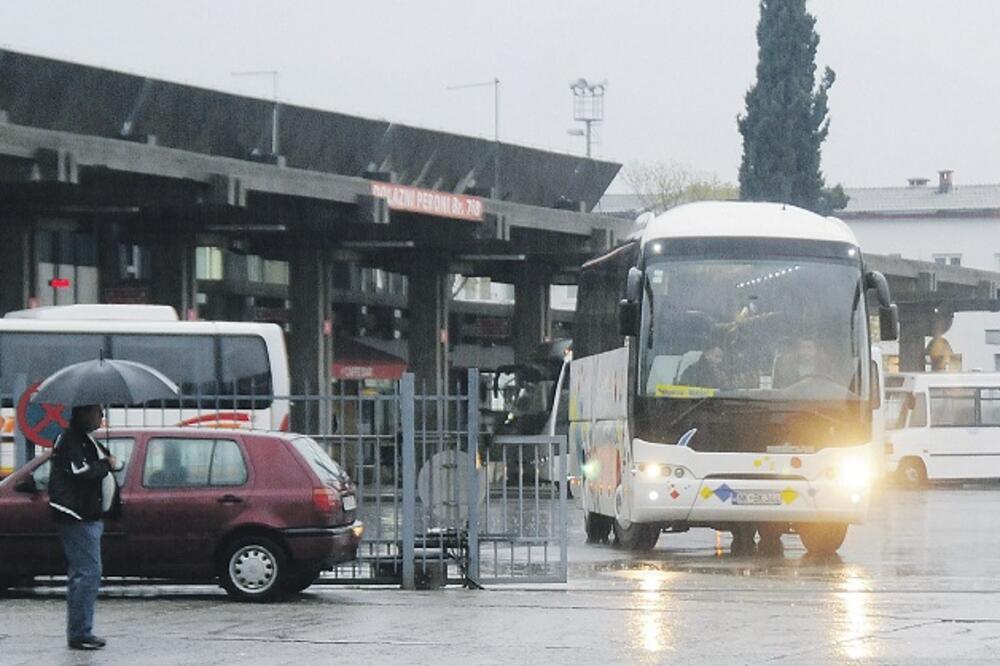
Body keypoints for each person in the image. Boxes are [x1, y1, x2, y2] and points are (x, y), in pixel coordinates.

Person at [47, 404, 121, 651]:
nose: (102, 416)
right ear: (83, 413)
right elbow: (81, 470)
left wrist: (110, 463)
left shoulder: (86, 440)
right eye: (98, 412)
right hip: (76, 515)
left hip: (89, 515)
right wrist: (106, 465)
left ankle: (80, 630)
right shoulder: (69, 439)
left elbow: (107, 465)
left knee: (83, 573)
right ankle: (80, 633)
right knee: (88, 573)